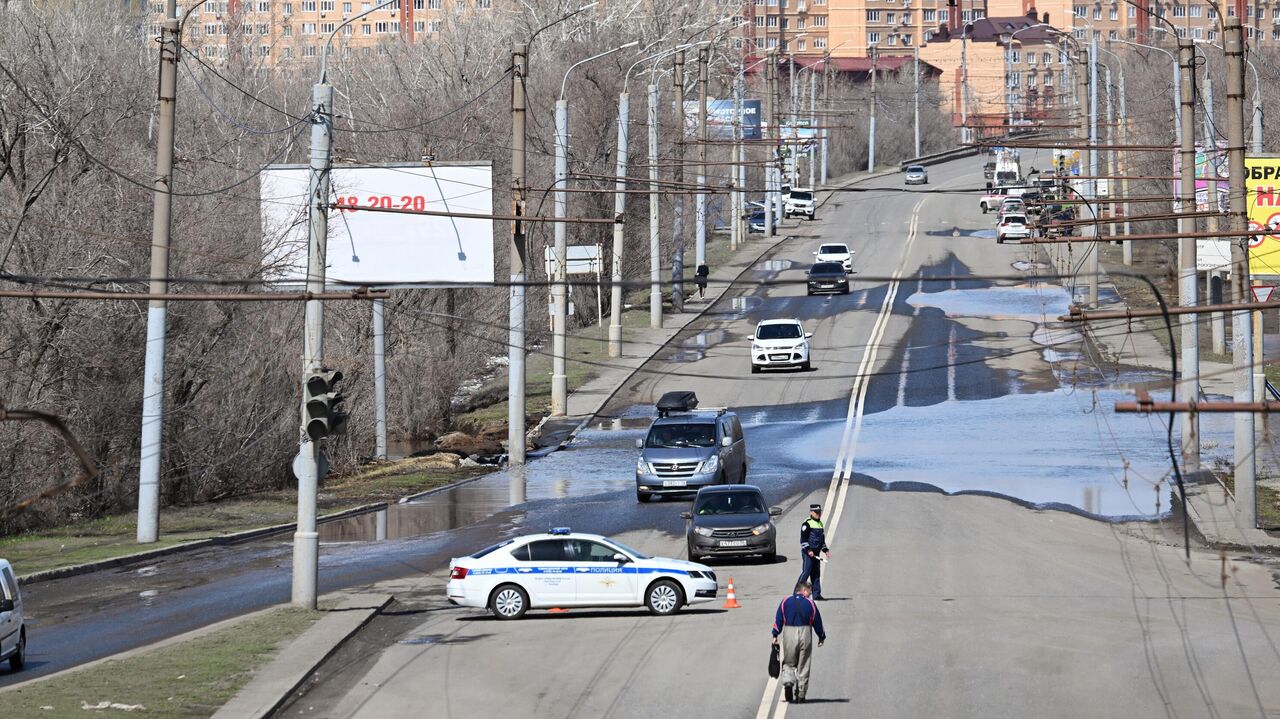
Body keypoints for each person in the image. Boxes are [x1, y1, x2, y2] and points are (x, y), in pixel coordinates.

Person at [771, 580, 826, 704]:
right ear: (804, 591)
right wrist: (821, 636)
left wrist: (775, 634)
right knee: (804, 664)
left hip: (789, 632)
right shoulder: (810, 603)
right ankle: (801, 693)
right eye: (809, 592)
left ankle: (788, 683)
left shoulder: (785, 601)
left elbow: (778, 618)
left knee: (789, 662)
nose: (810, 595)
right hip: (805, 633)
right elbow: (817, 620)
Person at [798, 504, 830, 600]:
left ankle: (816, 594)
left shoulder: (820, 524)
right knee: (806, 572)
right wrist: (809, 550)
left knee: (816, 574)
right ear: (811, 512)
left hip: (816, 553)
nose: (818, 514)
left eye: (819, 512)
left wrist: (825, 550)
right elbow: (803, 540)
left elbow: (821, 540)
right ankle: (798, 592)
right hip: (808, 553)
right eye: (816, 512)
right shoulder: (807, 523)